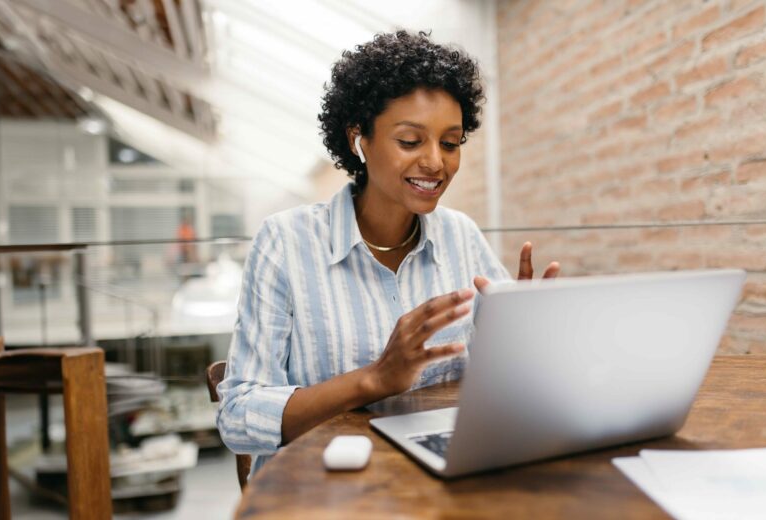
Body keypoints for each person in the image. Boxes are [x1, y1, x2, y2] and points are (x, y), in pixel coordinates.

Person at [216, 30, 560, 476]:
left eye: (451, 143)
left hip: (440, 477)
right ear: (359, 139)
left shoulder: (461, 236)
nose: (436, 162)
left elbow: (498, 378)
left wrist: (525, 336)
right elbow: (238, 417)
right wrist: (373, 379)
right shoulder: (286, 241)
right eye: (410, 141)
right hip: (325, 489)